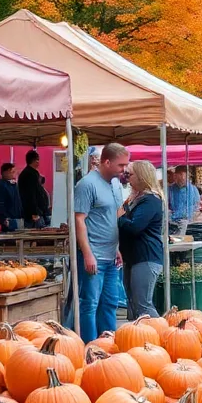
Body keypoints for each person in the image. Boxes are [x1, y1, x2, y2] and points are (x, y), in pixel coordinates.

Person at [72, 143, 128, 340]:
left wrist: (117, 248)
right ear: (106, 162)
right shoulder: (87, 184)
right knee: (90, 304)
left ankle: (108, 344)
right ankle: (90, 345)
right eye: (121, 165)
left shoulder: (114, 184)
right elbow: (79, 219)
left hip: (111, 255)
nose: (124, 169)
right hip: (94, 254)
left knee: (110, 302)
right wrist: (87, 253)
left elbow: (112, 217)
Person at [117, 160, 164, 320]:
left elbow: (135, 226)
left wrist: (120, 217)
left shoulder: (151, 200)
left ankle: (163, 335)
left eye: (129, 174)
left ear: (141, 176)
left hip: (146, 256)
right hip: (134, 256)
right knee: (134, 304)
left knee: (143, 304)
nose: (126, 177)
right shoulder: (136, 198)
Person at [19, 150, 51, 228]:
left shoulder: (29, 173)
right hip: (34, 215)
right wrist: (35, 212)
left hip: (37, 213)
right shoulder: (30, 174)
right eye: (38, 160)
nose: (39, 162)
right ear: (34, 160)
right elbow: (30, 195)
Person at [0, 162, 24, 232]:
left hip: (17, 219)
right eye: (12, 172)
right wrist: (3, 218)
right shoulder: (0, 186)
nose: (13, 174)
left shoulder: (14, 185)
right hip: (8, 220)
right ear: (5, 172)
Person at [167, 166, 198, 236]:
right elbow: (166, 205)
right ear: (175, 176)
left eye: (184, 176)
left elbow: (197, 205)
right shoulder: (170, 189)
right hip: (172, 223)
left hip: (188, 222)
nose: (183, 178)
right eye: (180, 175)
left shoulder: (193, 189)